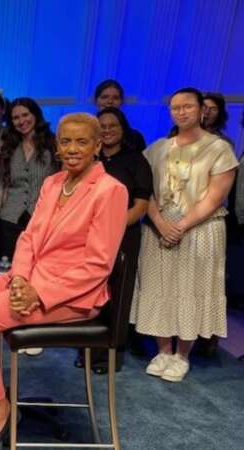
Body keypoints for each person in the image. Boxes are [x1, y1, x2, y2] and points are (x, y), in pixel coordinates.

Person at [0, 113, 128, 449]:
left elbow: (98, 266)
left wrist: (38, 292)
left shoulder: (110, 191)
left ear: (98, 145)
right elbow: (29, 238)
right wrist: (20, 279)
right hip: (29, 279)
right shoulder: (53, 183)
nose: (72, 148)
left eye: (82, 141)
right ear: (57, 145)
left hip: (73, 296)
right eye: (66, 141)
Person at [130, 88, 238, 383]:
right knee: (160, 287)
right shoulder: (157, 148)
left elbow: (215, 197)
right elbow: (144, 191)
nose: (181, 112)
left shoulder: (219, 148)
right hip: (159, 226)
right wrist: (160, 222)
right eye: (176, 107)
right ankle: (163, 350)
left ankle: (182, 355)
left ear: (202, 110)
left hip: (200, 228)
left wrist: (181, 225)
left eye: (188, 106)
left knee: (190, 288)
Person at [74, 107, 153, 372]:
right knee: (88, 293)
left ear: (122, 128)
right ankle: (86, 349)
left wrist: (110, 228)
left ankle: (111, 354)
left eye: (113, 126)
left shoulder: (135, 160)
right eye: (102, 126)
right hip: (85, 238)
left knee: (118, 295)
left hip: (123, 237)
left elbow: (141, 205)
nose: (107, 130)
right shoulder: (88, 161)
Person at [0, 98, 58, 261]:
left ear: (35, 115)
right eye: (16, 118)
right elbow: (2, 183)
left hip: (44, 220)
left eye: (25, 115)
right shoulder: (8, 147)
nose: (22, 121)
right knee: (9, 271)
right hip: (10, 220)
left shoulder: (53, 143)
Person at [93, 79, 147, 152]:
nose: (110, 101)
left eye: (115, 98)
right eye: (104, 97)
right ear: (96, 100)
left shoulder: (135, 138)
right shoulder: (85, 132)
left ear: (121, 102)